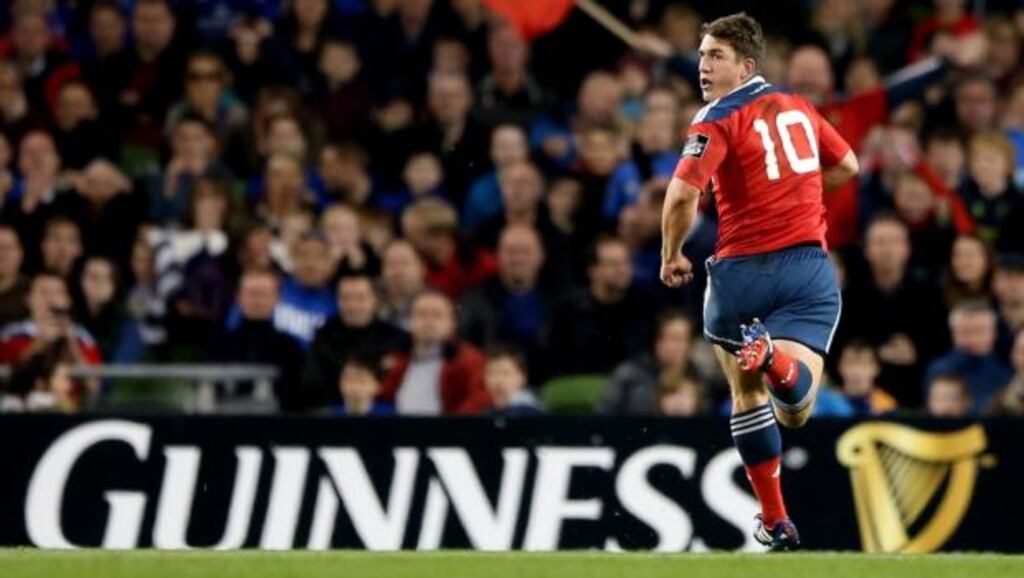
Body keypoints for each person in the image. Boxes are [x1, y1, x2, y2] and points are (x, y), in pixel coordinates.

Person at [659, 14, 859, 550]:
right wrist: (801, 196)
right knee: (797, 408)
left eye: (716, 56)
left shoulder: (716, 119)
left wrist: (671, 253)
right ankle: (774, 359)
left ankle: (775, 520)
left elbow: (682, 195)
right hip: (806, 271)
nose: (703, 65)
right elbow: (848, 165)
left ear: (747, 65)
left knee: (746, 397)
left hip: (739, 275)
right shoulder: (800, 107)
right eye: (702, 55)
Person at [379, 290, 489, 416]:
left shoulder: (470, 360)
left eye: (437, 315)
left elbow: (479, 399)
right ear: (410, 321)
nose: (428, 321)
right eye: (421, 314)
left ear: (453, 323)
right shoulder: (397, 360)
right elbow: (381, 398)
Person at [484, 346, 544, 417]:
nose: (497, 381)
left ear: (523, 377)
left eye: (505, 373)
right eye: (491, 373)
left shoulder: (532, 414)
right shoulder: (487, 413)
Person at [331, 352, 395, 417]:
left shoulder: (391, 415)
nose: (354, 386)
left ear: (378, 386)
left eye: (362, 381)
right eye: (348, 379)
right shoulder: (330, 415)